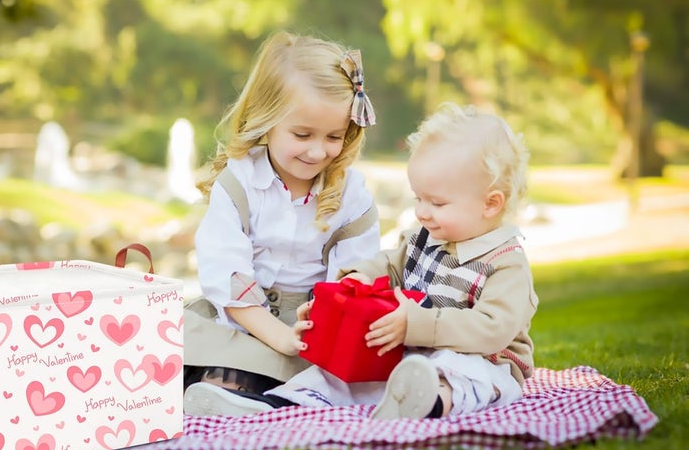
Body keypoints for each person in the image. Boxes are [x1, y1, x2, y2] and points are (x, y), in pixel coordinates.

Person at [183, 102, 538, 420]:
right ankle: (280, 402)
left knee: (462, 375)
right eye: (419, 199)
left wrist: (418, 325)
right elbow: (390, 264)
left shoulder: (504, 263)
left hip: (485, 361)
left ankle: (430, 402)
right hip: (414, 352)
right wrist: (359, 277)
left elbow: (492, 330)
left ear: (490, 204)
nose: (422, 212)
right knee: (339, 375)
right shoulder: (426, 237)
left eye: (437, 203)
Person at [183, 31, 382, 397]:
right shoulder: (240, 183)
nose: (318, 152)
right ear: (267, 120)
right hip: (245, 320)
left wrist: (313, 331)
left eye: (333, 137)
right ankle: (237, 392)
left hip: (316, 328)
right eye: (302, 135)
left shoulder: (351, 195)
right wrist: (279, 337)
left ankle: (273, 396)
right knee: (206, 355)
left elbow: (356, 274)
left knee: (336, 378)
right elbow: (225, 273)